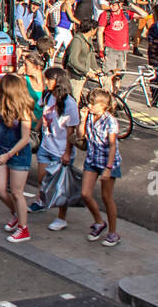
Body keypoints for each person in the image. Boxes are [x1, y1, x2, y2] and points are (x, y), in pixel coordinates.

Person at [0, 73, 36, 243]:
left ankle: (24, 229)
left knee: (17, 192)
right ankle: (16, 214)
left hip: (18, 155)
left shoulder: (23, 111)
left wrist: (8, 155)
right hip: (2, 150)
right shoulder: (5, 106)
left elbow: (25, 138)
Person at [32, 67, 79, 230]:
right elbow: (43, 116)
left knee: (61, 187)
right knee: (41, 178)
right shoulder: (47, 95)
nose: (46, 82)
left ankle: (61, 217)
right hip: (46, 145)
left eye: (49, 79)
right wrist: (35, 130)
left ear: (57, 81)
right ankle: (41, 201)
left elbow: (71, 130)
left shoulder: (69, 103)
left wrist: (67, 152)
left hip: (60, 150)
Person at [74, 90, 121, 247]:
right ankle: (99, 222)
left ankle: (113, 232)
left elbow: (113, 145)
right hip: (92, 159)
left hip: (107, 161)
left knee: (107, 197)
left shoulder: (110, 121)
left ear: (103, 106)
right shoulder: (89, 116)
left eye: (92, 103)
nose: (89, 105)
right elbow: (81, 136)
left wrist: (108, 168)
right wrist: (82, 119)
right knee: (85, 193)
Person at [96, 0, 135, 76]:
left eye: (113, 4)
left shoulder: (125, 13)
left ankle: (116, 89)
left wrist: (130, 4)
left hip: (123, 49)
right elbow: (99, 32)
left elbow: (145, 15)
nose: (111, 7)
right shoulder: (105, 15)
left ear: (120, 4)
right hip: (110, 49)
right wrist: (101, 49)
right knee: (108, 75)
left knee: (119, 75)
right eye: (110, 4)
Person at [63, 20, 104, 88]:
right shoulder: (77, 41)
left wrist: (96, 68)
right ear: (91, 30)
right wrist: (86, 72)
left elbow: (91, 55)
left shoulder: (88, 39)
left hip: (84, 70)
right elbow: (72, 60)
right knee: (75, 95)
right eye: (95, 30)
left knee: (105, 80)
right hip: (75, 73)